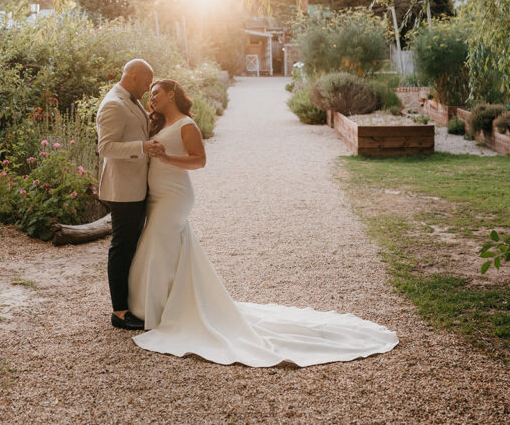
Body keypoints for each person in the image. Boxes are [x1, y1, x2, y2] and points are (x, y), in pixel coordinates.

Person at [127, 79, 399, 366]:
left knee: (159, 246)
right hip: (157, 196)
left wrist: (166, 157)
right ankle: (163, 304)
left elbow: (199, 161)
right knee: (167, 249)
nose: (152, 98)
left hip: (174, 196)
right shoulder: (157, 123)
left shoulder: (186, 125)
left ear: (172, 94)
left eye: (156, 93)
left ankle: (157, 312)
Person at [96, 59, 164, 330]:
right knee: (122, 247)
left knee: (133, 246)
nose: (148, 89)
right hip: (123, 188)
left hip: (137, 185)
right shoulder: (113, 103)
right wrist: (143, 147)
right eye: (147, 83)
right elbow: (106, 147)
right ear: (134, 76)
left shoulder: (131, 100)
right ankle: (120, 311)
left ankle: (132, 303)